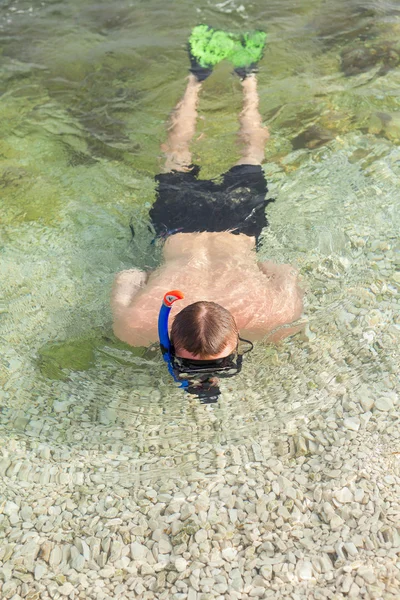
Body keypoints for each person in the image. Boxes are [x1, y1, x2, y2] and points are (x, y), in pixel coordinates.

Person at [111, 26, 303, 400]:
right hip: (179, 224)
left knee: (250, 154)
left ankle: (241, 76)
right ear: (232, 340)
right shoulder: (136, 323)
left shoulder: (275, 314)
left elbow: (285, 271)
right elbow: (130, 274)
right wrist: (158, 277)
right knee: (176, 152)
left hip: (239, 225)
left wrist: (254, 274)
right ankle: (206, 77)